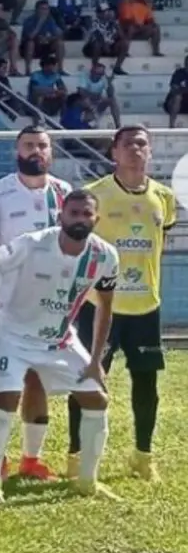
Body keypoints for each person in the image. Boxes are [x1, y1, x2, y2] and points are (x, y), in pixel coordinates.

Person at [0, 192, 120, 503]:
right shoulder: (32, 243)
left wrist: (96, 360)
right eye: (73, 213)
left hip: (59, 340)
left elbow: (105, 308)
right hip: (13, 336)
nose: (79, 220)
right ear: (61, 217)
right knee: (6, 398)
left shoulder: (105, 256)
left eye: (86, 214)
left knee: (97, 400)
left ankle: (88, 482)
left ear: (96, 220)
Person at [73, 127, 175, 483]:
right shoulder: (93, 195)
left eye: (142, 144)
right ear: (114, 152)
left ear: (150, 151)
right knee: (88, 380)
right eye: (128, 144)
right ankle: (77, 457)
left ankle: (143, 456)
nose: (136, 149)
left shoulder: (164, 196)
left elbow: (160, 237)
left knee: (146, 382)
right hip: (99, 305)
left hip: (146, 306)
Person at [0, 126, 71, 480]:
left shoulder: (65, 194)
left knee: (38, 379)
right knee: (1, 380)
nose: (36, 151)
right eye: (29, 145)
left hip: (52, 305)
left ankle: (31, 460)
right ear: (16, 151)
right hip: (6, 305)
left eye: (43, 146)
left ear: (51, 152)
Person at [21, 0, 64, 76]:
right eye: (42, 9)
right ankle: (27, 70)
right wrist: (40, 22)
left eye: (47, 9)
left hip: (46, 45)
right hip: (32, 47)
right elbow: (30, 36)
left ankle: (60, 69)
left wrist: (49, 38)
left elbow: (58, 34)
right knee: (30, 43)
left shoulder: (50, 20)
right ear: (36, 10)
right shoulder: (29, 20)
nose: (45, 11)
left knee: (59, 43)